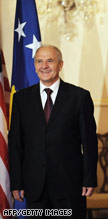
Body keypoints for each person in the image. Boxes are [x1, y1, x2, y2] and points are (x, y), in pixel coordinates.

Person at [9, 45, 98, 218]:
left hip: (70, 185)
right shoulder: (21, 99)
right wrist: (16, 182)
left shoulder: (79, 97)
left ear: (60, 65)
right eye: (39, 61)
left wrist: (89, 179)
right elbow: (15, 144)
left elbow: (89, 143)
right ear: (34, 65)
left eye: (50, 61)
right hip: (34, 186)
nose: (44, 66)